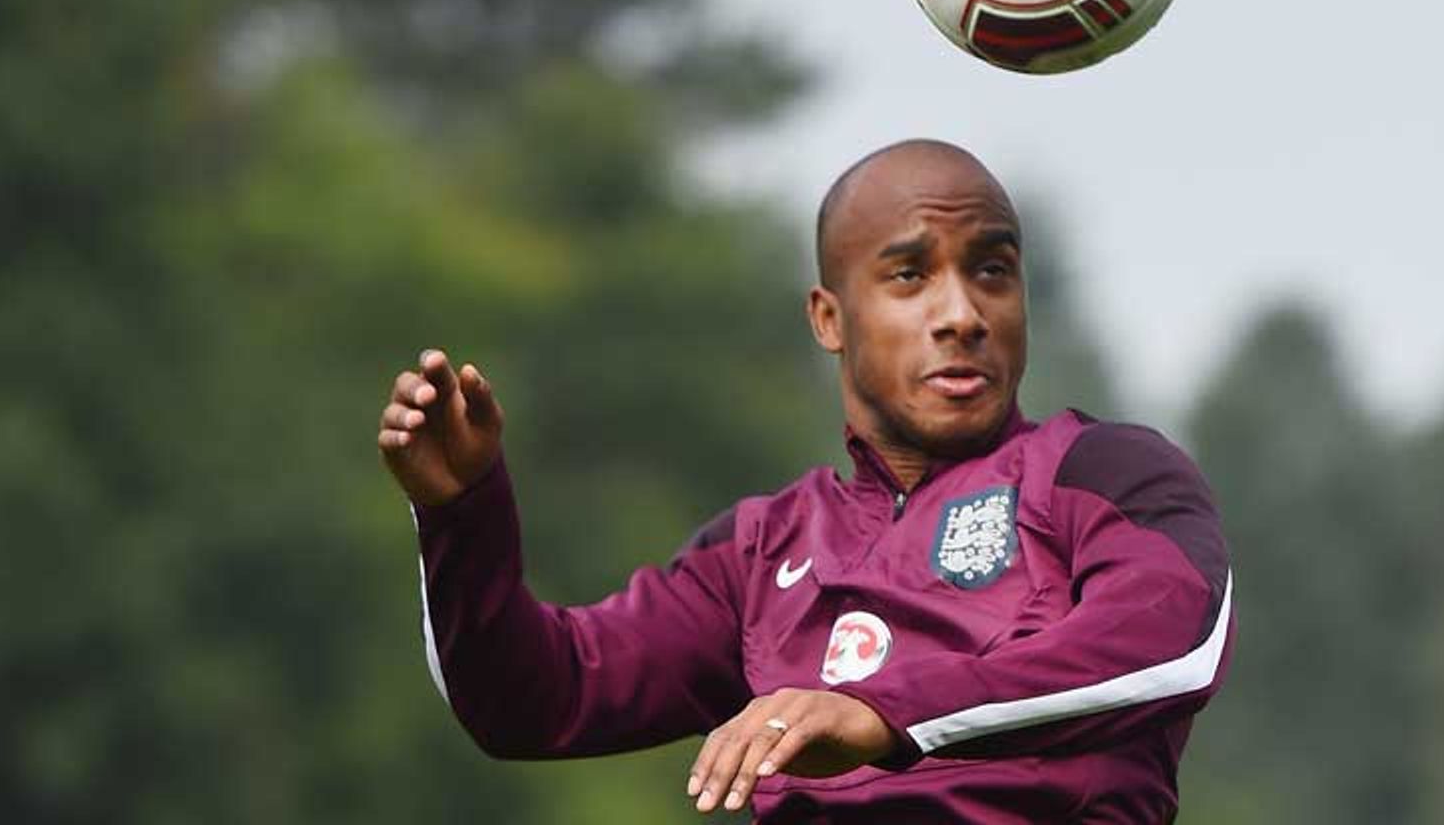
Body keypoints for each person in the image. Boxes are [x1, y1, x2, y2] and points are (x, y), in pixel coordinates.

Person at [376, 139, 1233, 822]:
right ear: (830, 318)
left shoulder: (1103, 473)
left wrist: (882, 713)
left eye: (992, 271)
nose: (962, 315)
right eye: (910, 276)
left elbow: (1167, 648)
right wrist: (461, 515)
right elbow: (532, 701)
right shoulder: (759, 551)